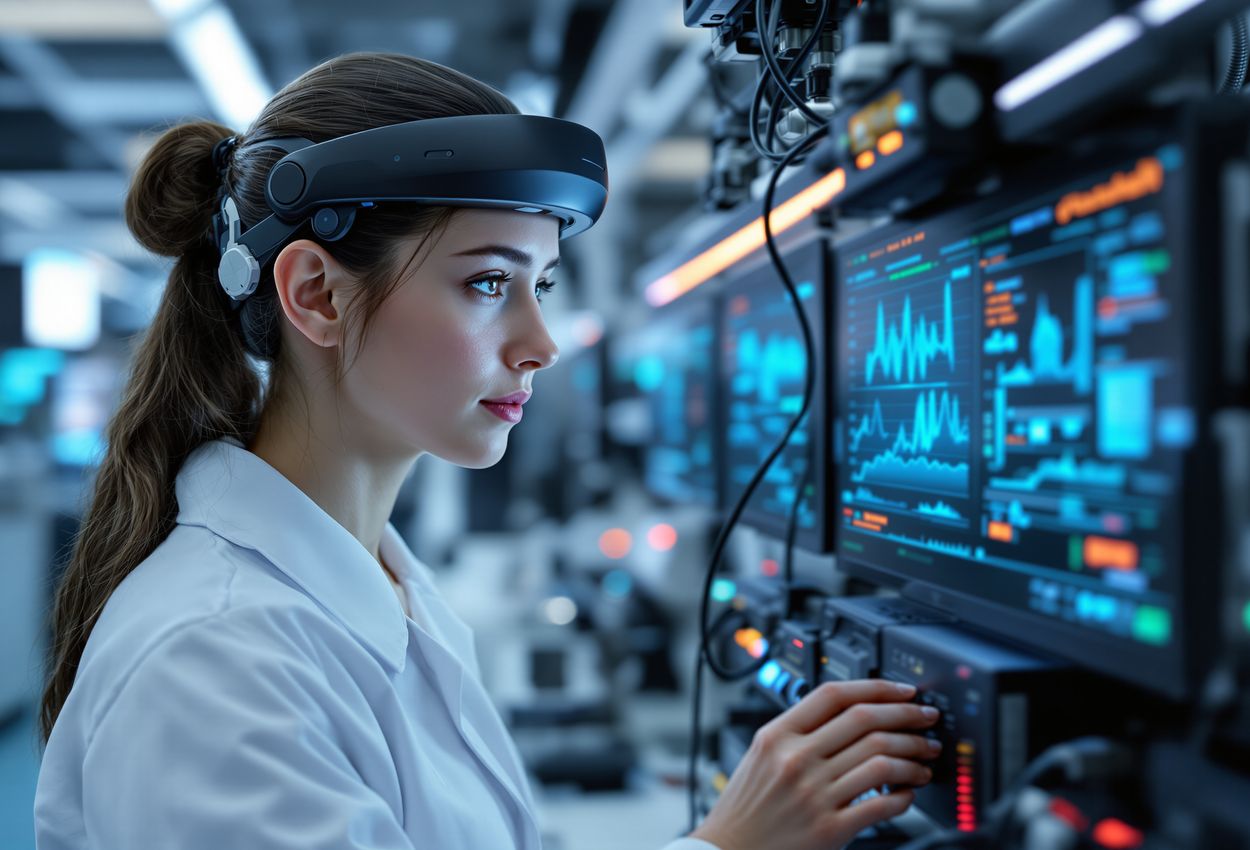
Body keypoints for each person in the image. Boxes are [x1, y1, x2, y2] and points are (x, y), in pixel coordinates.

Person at [33, 51, 940, 850]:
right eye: (488, 282)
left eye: (541, 284)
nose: (541, 341)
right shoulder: (217, 661)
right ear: (316, 294)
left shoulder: (378, 586)